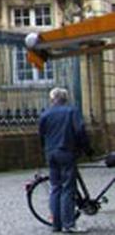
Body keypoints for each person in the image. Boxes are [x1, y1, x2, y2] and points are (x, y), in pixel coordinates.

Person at [39, 87, 91, 233]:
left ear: (52, 99)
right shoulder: (72, 111)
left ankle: (56, 225)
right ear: (66, 99)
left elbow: (41, 136)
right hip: (66, 152)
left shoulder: (45, 114)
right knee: (68, 188)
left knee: (55, 188)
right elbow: (80, 131)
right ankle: (69, 224)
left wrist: (46, 150)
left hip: (51, 153)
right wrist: (87, 149)